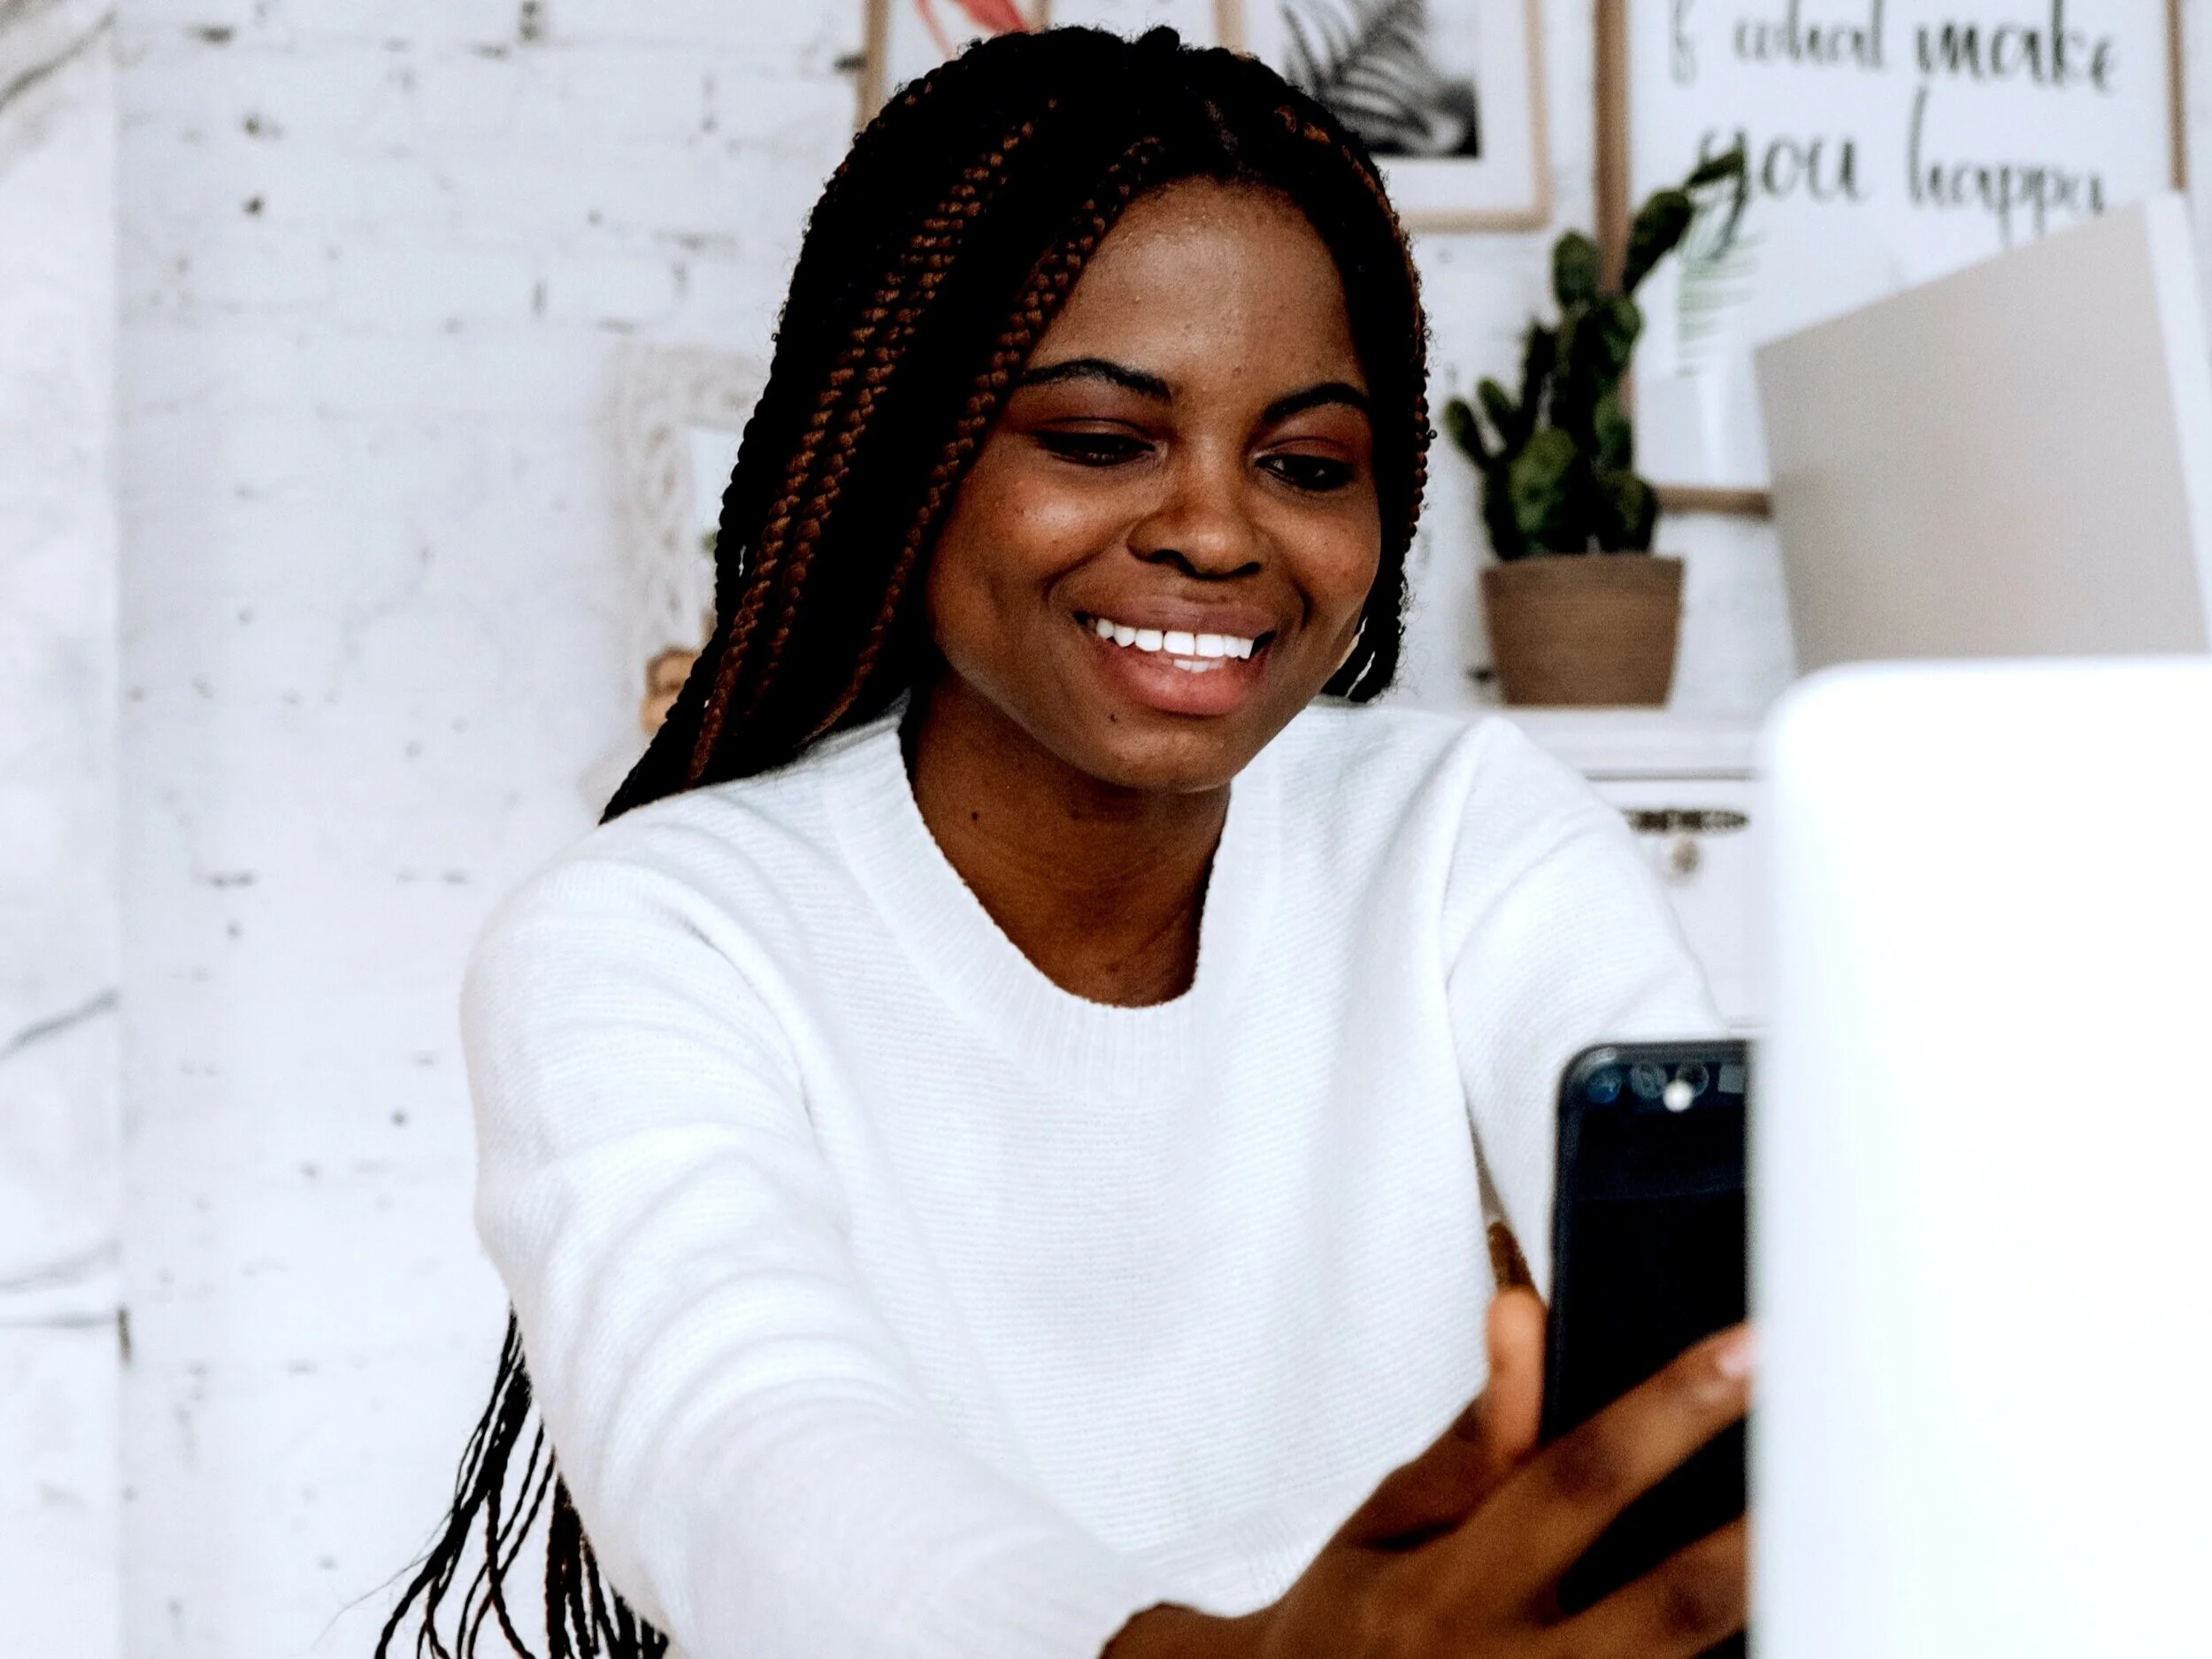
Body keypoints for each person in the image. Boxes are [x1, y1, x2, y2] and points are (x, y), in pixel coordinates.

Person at [380, 27, 1747, 1659]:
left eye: (1308, 463)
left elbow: (1715, 1309)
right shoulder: (654, 937)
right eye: (1099, 440)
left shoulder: (1459, 832)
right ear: (913, 455)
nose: (1220, 530)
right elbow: (751, 1445)